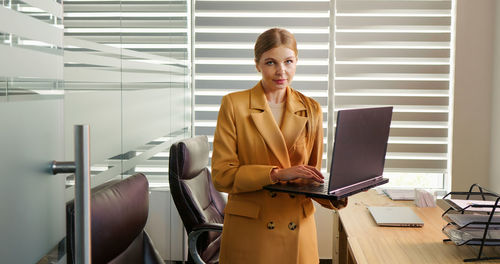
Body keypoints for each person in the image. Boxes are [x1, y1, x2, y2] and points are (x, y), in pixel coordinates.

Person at [211, 28, 347, 264]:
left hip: (298, 229)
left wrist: (340, 192)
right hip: (252, 231)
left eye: (288, 61)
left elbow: (310, 178)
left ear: (296, 62)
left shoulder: (311, 109)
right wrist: (276, 174)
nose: (281, 71)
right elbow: (222, 176)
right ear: (257, 65)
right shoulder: (234, 105)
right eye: (271, 62)